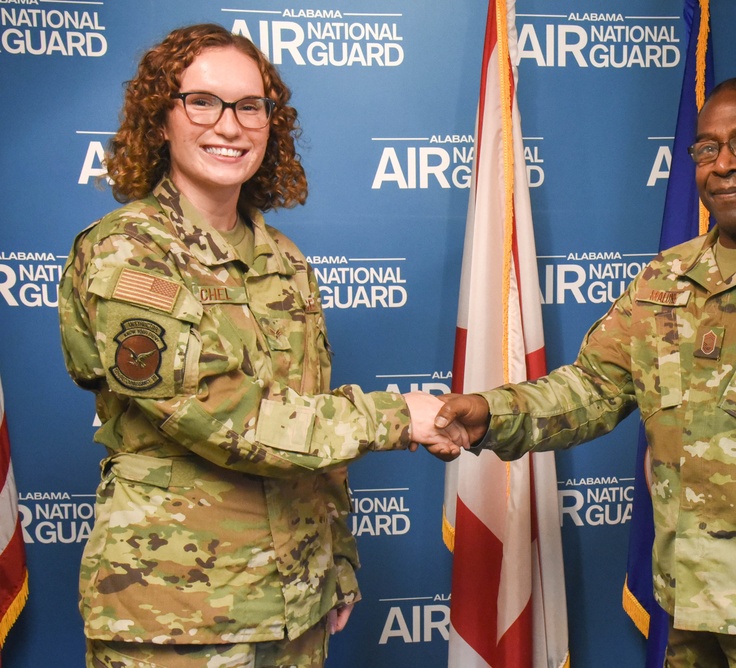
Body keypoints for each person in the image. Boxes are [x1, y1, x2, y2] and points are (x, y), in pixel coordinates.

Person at [435, 77, 736, 668]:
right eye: (707, 148)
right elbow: (592, 389)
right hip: (689, 609)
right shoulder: (663, 280)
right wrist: (491, 413)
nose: (724, 165)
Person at [58, 23, 461, 668]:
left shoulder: (285, 261)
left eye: (251, 106)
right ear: (160, 120)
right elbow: (226, 415)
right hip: (176, 618)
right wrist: (400, 416)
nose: (229, 125)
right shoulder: (127, 252)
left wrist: (338, 559)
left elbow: (309, 416)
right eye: (203, 102)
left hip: (296, 605)